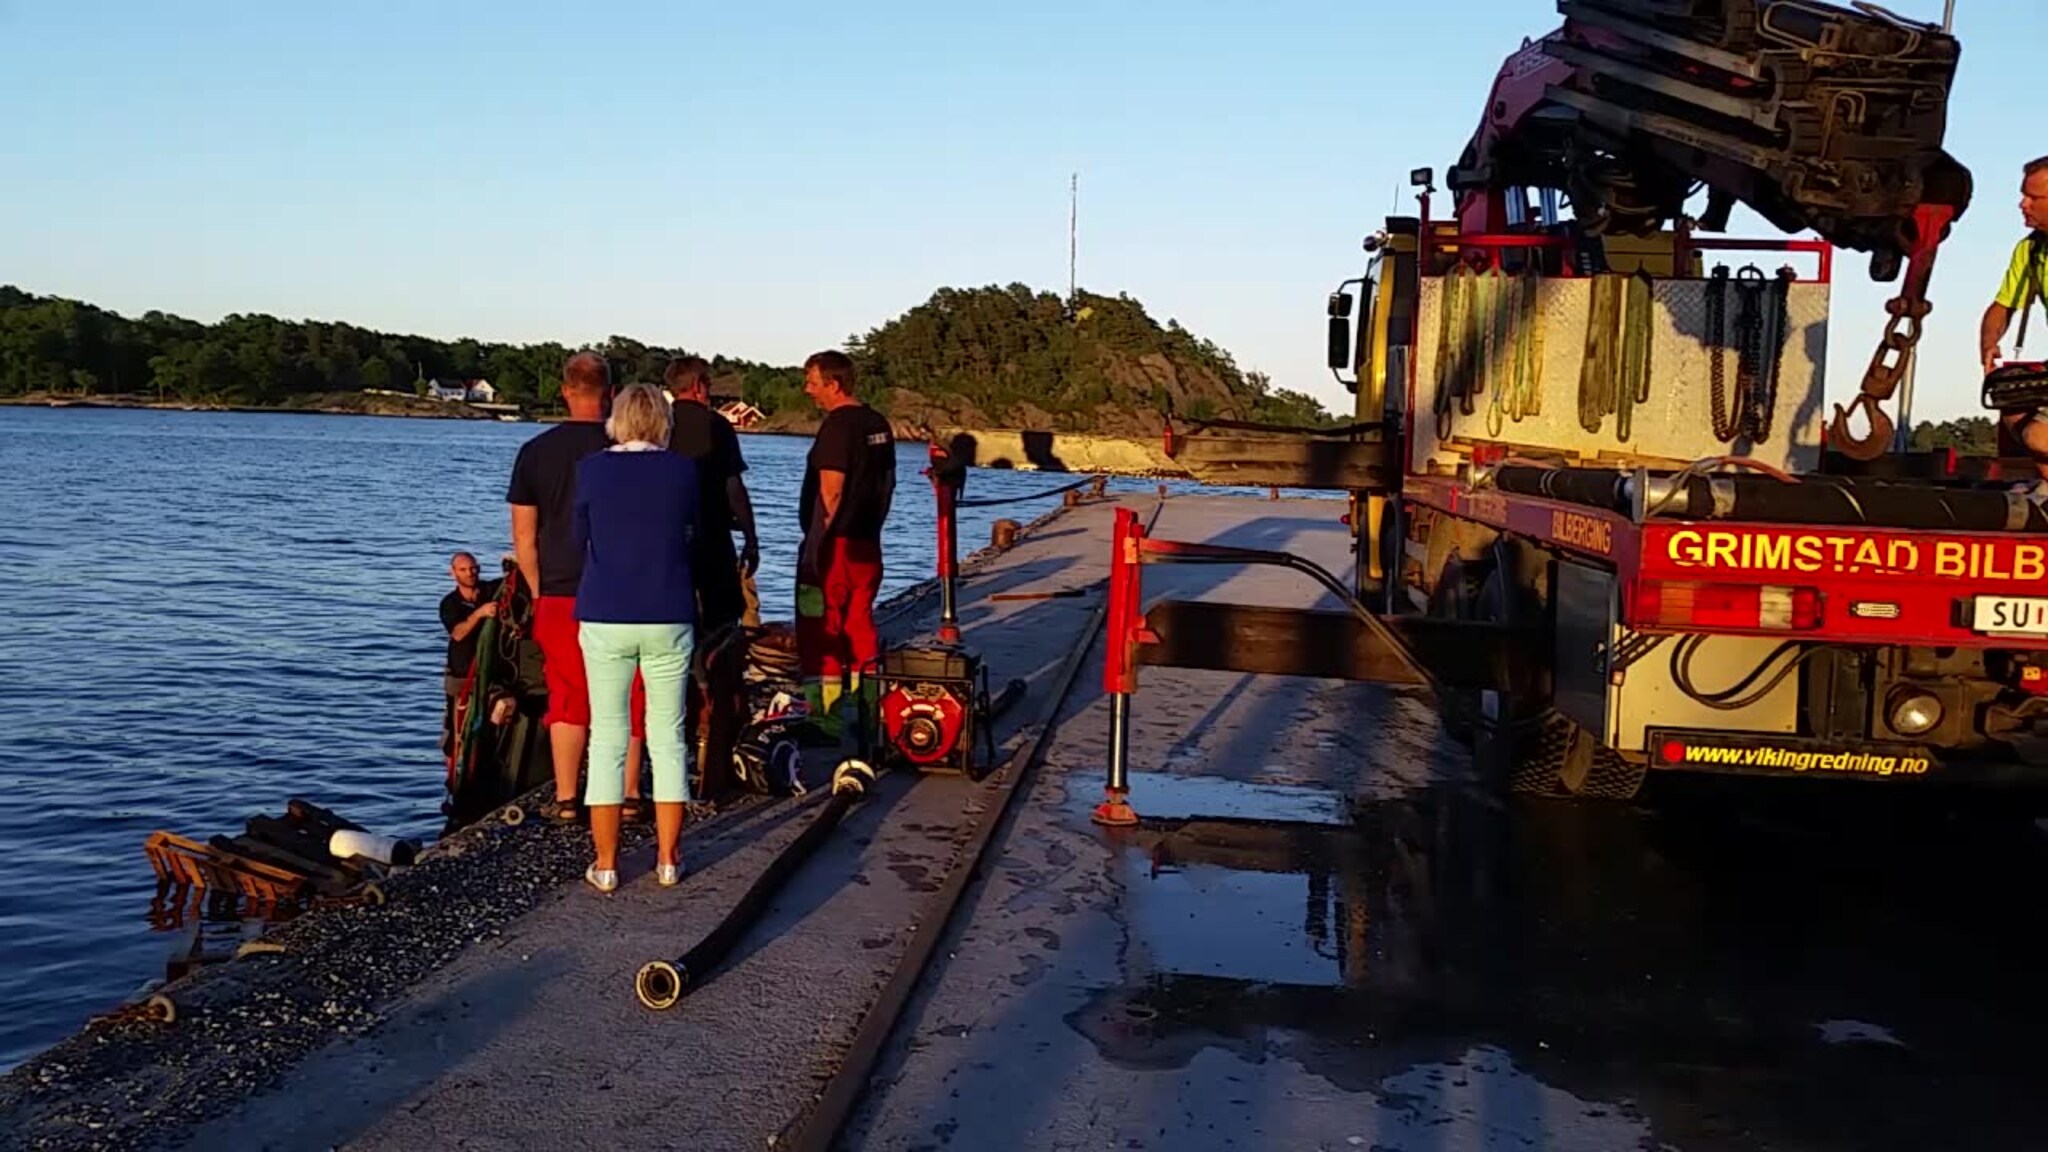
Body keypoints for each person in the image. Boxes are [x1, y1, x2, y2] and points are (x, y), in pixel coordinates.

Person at [506, 352, 646, 823]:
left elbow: (524, 536)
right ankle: (628, 794)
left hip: (561, 591)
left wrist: (538, 589)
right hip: (623, 588)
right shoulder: (628, 451)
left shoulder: (535, 452)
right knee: (628, 691)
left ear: (565, 390)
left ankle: (567, 796)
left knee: (567, 692)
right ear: (610, 393)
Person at [571, 382, 700, 892]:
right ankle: (669, 858)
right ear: (662, 423)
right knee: (668, 738)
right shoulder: (683, 470)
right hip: (668, 608)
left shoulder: (592, 469)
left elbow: (573, 536)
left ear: (618, 420)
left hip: (605, 610)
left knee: (607, 737)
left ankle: (605, 864)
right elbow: (698, 532)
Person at [795, 349, 896, 741]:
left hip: (834, 546)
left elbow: (831, 492)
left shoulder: (837, 427)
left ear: (834, 385)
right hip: (868, 544)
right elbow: (886, 484)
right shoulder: (879, 425)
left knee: (822, 629)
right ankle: (871, 712)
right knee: (861, 628)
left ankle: (825, 719)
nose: (808, 390)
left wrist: (813, 546)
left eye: (812, 382)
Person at [662, 355, 761, 638]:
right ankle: (717, 676)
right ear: (698, 386)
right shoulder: (716, 425)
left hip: (668, 538)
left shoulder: (658, 424)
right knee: (721, 620)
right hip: (713, 536)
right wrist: (751, 539)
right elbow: (734, 487)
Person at [1979, 155, 2048, 479]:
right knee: (2009, 394)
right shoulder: (2030, 250)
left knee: (2037, 435)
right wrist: (1990, 344)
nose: (2023, 204)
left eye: (2034, 197)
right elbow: (2002, 306)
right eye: (2024, 195)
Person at [439, 551, 501, 756]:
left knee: (501, 709)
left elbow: (514, 581)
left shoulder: (491, 589)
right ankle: (455, 774)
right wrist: (480, 613)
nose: (470, 573)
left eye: (473, 568)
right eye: (463, 570)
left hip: (491, 674)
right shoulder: (450, 603)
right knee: (456, 730)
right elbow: (458, 633)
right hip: (461, 676)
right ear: (453, 573)